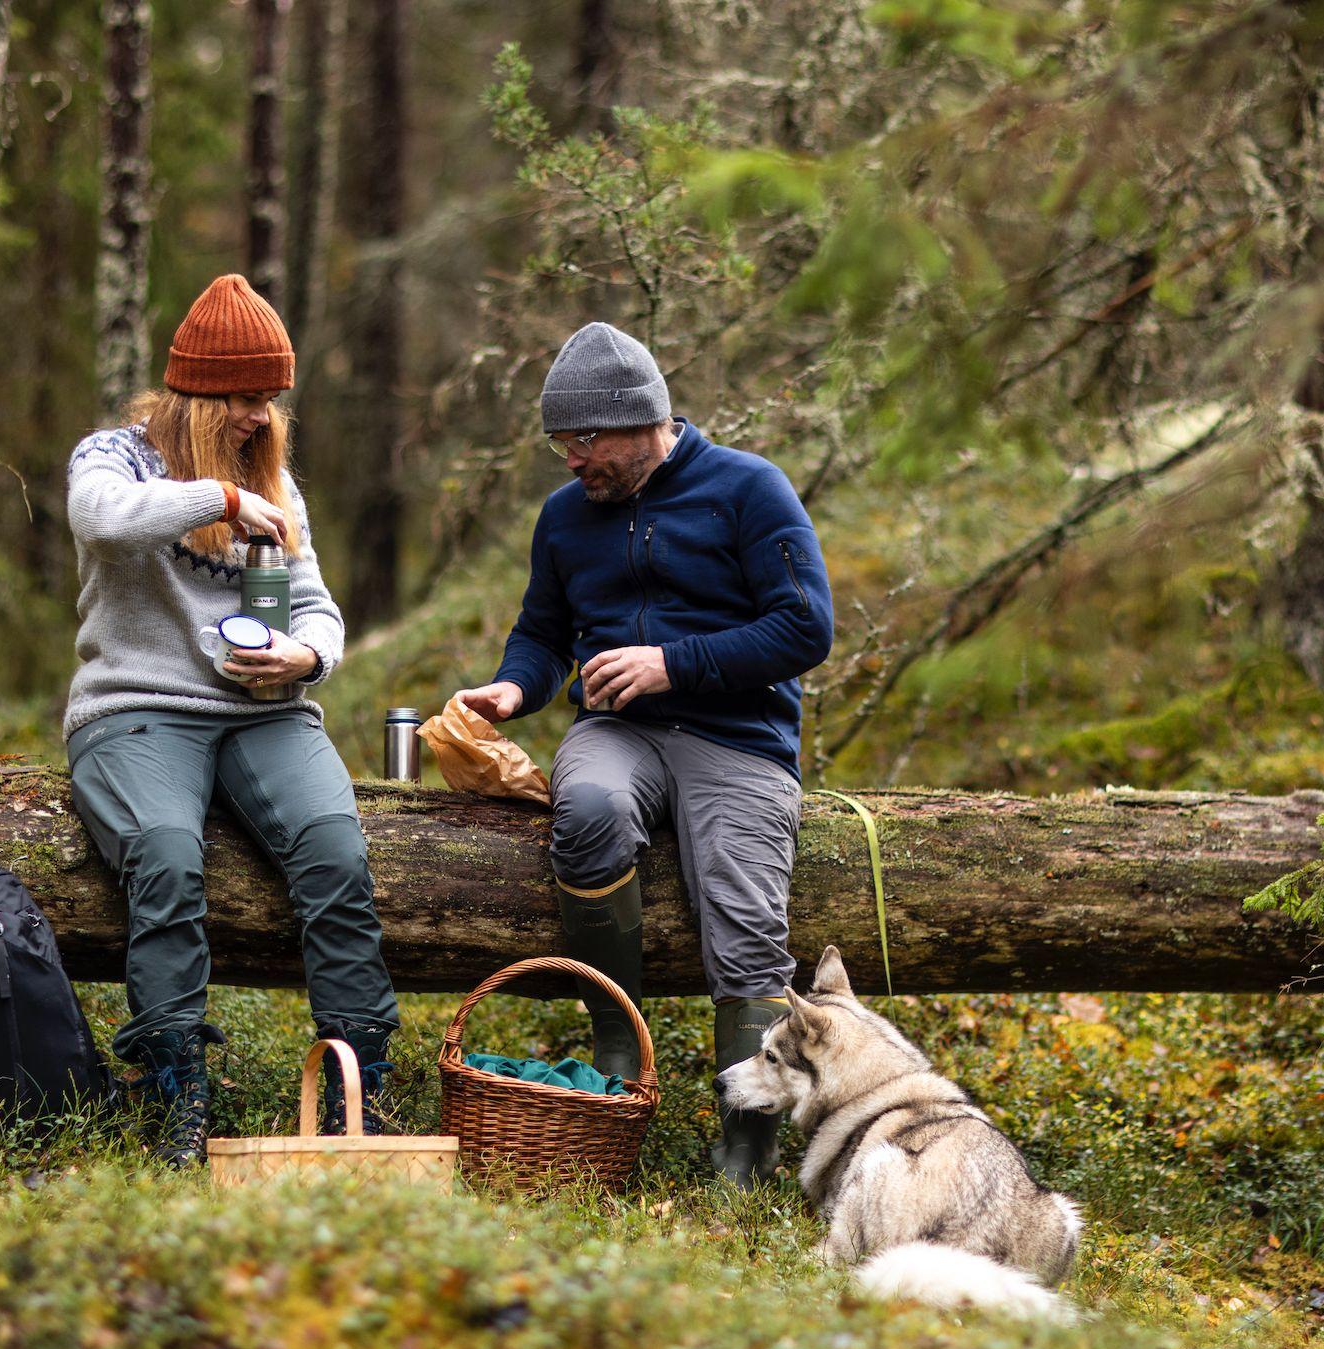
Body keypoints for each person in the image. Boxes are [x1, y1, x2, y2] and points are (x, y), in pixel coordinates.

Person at [453, 321, 836, 1187]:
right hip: (616, 734)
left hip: (737, 739)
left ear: (640, 422)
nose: (570, 461)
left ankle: (746, 1146)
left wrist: (675, 663)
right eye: (560, 443)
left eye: (582, 441)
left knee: (744, 921)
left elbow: (805, 628)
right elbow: (543, 634)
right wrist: (515, 689)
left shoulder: (749, 490)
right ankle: (619, 1047)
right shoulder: (564, 518)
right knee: (584, 808)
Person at [64, 273, 398, 1167]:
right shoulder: (114, 458)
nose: (261, 415)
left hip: (265, 712)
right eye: (246, 398)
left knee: (336, 851)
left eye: (270, 399)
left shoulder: (276, 481)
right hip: (137, 710)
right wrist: (215, 500)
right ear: (198, 395)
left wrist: (306, 658)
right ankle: (175, 1094)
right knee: (167, 856)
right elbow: (98, 520)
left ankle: (359, 1090)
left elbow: (318, 604)